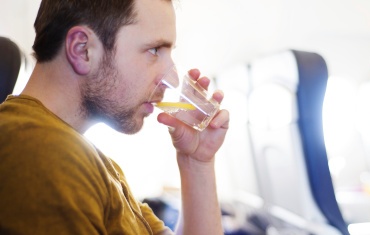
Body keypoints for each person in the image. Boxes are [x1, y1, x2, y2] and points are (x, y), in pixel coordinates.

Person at [0, 0, 229, 234]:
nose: (172, 81)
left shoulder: (95, 163)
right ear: (82, 50)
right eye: (154, 50)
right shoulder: (42, 152)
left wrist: (196, 162)